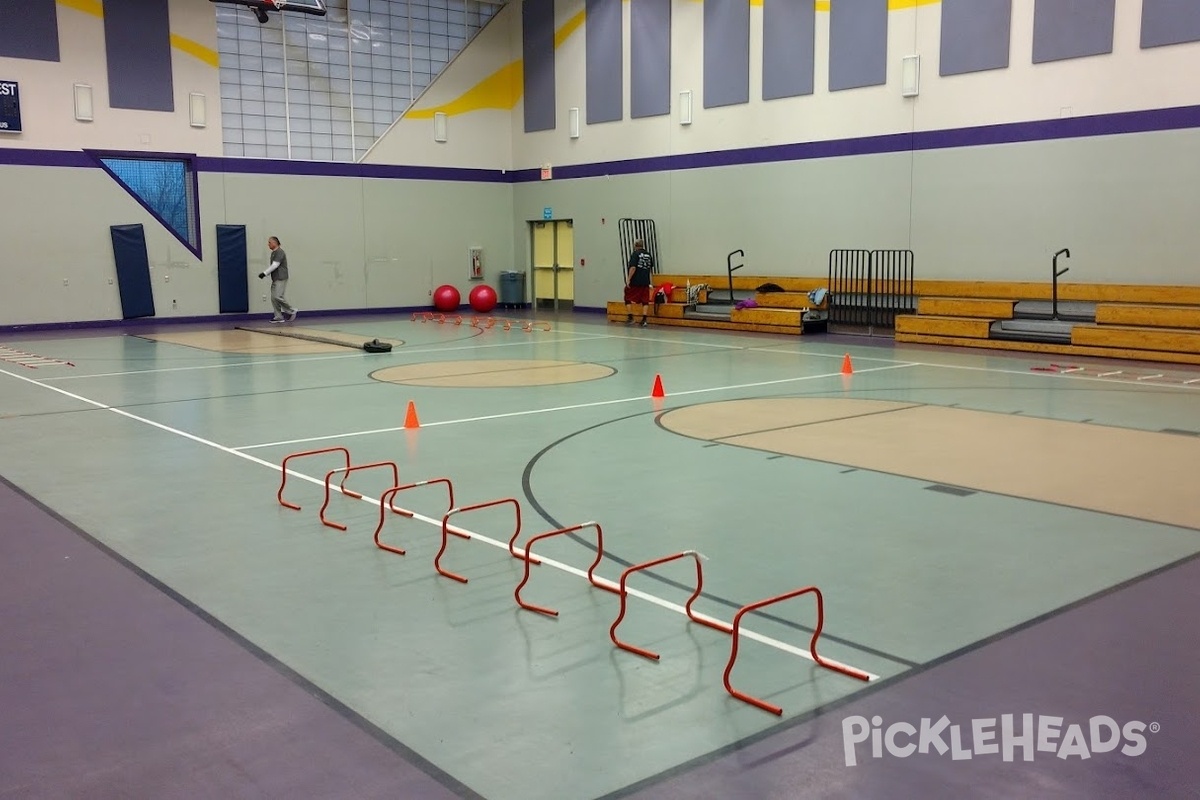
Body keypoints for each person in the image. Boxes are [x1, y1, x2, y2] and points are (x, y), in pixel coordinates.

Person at [258, 236, 297, 323]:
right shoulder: (273, 253)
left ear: (275, 243)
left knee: (277, 296)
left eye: (269, 242)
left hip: (281, 277)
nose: (268, 244)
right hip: (275, 278)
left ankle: (291, 311)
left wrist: (264, 273)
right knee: (273, 298)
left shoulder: (279, 252)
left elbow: (275, 265)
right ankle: (278, 316)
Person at [624, 238, 654, 327]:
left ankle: (630, 317)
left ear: (635, 245)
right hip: (645, 281)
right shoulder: (648, 255)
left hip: (636, 281)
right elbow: (650, 268)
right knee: (645, 300)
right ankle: (644, 319)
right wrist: (650, 282)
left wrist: (628, 279)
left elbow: (633, 267)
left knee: (627, 296)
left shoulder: (635, 254)